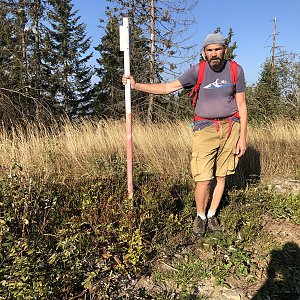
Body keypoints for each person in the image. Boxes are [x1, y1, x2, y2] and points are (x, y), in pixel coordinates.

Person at [122, 32, 247, 237]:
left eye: (217, 49)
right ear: (204, 52)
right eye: (210, 50)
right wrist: (136, 85)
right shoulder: (197, 71)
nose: (214, 54)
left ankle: (213, 213)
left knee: (221, 176)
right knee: (203, 179)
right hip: (205, 129)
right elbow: (166, 88)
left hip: (231, 129)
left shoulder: (235, 70)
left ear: (224, 50)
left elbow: (241, 105)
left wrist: (243, 137)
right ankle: (200, 216)